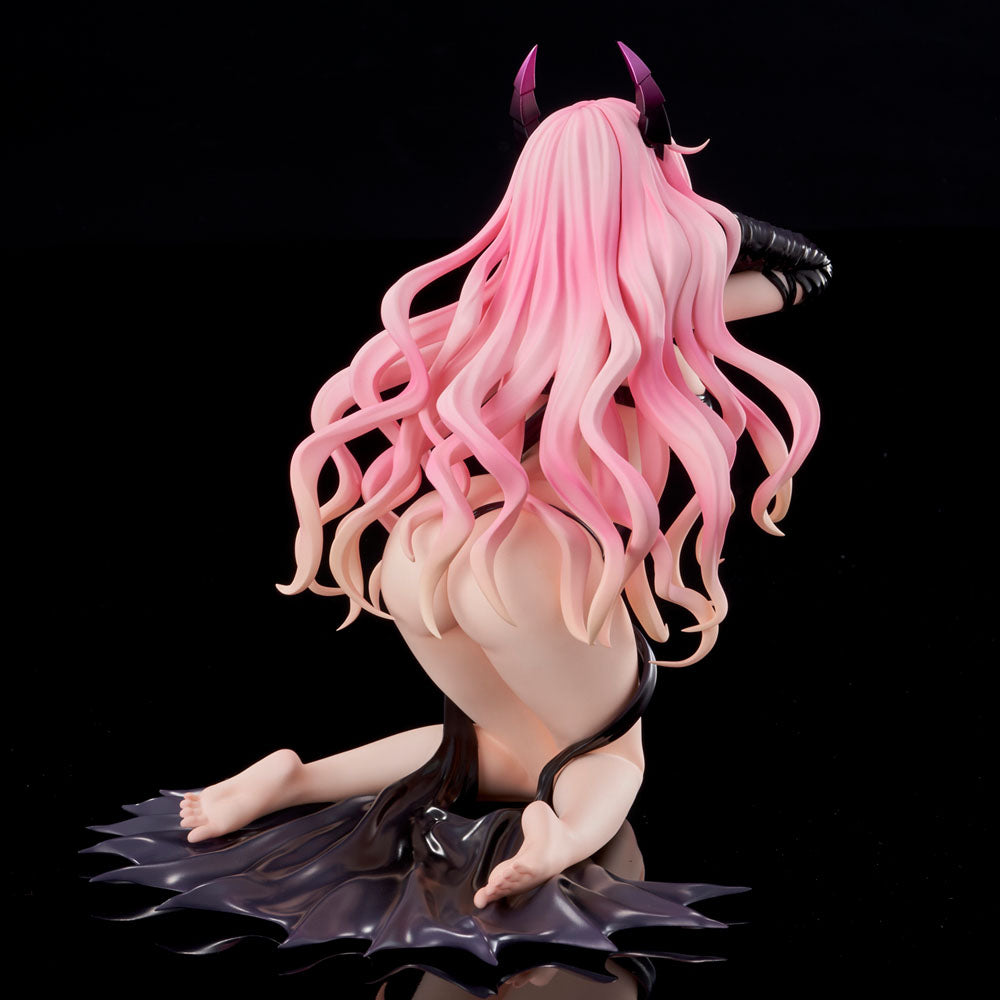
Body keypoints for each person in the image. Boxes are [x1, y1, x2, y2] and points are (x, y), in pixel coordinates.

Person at [92, 47, 830, 981]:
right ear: (649, 192)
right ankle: (558, 839)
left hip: (430, 545)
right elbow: (810, 267)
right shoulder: (666, 314)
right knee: (610, 760)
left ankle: (295, 777)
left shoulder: (489, 319)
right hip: (540, 560)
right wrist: (697, 212)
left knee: (489, 750)